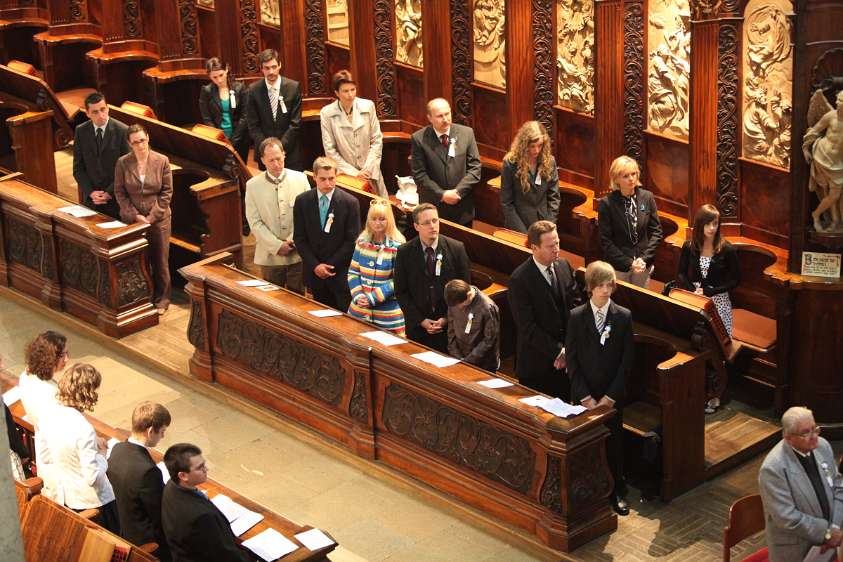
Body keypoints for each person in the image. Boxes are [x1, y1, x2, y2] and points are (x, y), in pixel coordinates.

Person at [565, 260, 634, 516]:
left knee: (613, 444)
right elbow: (572, 359)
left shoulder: (623, 317)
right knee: (584, 445)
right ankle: (587, 491)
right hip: (584, 396)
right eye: (601, 286)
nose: (606, 291)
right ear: (590, 288)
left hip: (610, 397)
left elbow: (626, 361)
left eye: (609, 285)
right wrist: (585, 397)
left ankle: (617, 491)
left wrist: (610, 397)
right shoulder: (576, 317)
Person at [37, 363, 120, 533]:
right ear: (88, 393)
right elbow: (92, 477)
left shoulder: (47, 415)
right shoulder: (83, 429)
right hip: (94, 503)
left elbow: (46, 457)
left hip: (67, 498)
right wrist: (103, 456)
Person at [677, 204, 740, 413]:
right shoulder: (689, 247)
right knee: (696, 345)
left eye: (715, 223)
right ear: (700, 225)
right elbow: (681, 274)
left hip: (718, 302)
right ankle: (698, 391)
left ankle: (716, 394)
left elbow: (735, 279)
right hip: (693, 300)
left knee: (717, 348)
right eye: (708, 224)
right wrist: (691, 291)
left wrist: (712, 291)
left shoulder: (727, 249)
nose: (712, 228)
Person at [759, 407, 843, 562]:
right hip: (796, 550)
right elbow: (787, 517)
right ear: (788, 437)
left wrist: (836, 527)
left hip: (830, 541)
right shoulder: (773, 469)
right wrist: (826, 533)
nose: (814, 436)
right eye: (806, 433)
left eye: (815, 429)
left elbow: (839, 486)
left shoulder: (822, 446)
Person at [507, 220, 580, 398]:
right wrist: (558, 351)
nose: (556, 249)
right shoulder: (520, 280)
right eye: (550, 246)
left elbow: (576, 305)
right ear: (534, 248)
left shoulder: (564, 266)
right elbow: (527, 327)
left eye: (557, 243)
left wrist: (568, 348)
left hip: (564, 363)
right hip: (537, 365)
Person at [394, 203, 471, 353]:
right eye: (427, 222)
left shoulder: (456, 249)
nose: (432, 226)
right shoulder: (404, 252)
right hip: (418, 329)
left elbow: (465, 290)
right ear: (416, 226)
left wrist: (446, 319)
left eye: (435, 221)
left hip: (450, 330)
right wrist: (421, 321)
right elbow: (401, 292)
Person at [114, 123, 173, 314]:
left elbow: (166, 192)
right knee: (138, 259)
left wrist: (151, 217)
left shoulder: (162, 161)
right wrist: (135, 215)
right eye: (136, 142)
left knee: (160, 260)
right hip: (133, 220)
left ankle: (162, 299)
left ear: (148, 138)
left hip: (159, 219)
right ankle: (142, 297)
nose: (140, 145)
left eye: (143, 140)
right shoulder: (123, 163)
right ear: (129, 144)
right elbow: (119, 192)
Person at [161, 443, 251, 562]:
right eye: (200, 467)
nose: (206, 469)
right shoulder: (201, 516)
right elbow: (224, 554)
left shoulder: (171, 486)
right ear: (183, 475)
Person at [107, 402, 173, 562]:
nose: (163, 436)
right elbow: (160, 515)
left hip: (125, 529)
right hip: (149, 545)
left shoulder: (118, 450)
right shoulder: (148, 472)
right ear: (150, 431)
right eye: (162, 432)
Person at [293, 157, 360, 311]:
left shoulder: (350, 203)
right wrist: (316, 266)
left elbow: (351, 241)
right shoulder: (302, 201)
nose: (328, 184)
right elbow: (300, 238)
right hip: (315, 273)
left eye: (331, 179)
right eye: (323, 179)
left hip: (340, 274)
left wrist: (329, 266)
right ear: (314, 177)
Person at [245, 137, 308, 294]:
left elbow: (307, 215)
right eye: (271, 160)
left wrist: (293, 240)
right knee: (272, 303)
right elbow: (254, 222)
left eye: (279, 159)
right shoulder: (252, 186)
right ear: (262, 160)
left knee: (298, 302)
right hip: (269, 257)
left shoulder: (301, 179)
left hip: (298, 255)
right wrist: (277, 246)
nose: (276, 164)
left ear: (284, 155)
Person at [410, 98, 481, 226]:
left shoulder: (466, 133)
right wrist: (442, 194)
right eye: (439, 116)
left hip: (462, 206)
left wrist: (458, 192)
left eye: (447, 114)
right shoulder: (419, 139)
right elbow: (420, 175)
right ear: (429, 118)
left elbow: (475, 168)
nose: (445, 119)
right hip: (433, 208)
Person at [598, 155, 663, 288]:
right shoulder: (607, 203)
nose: (631, 179)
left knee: (641, 303)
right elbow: (606, 241)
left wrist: (644, 258)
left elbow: (657, 232)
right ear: (616, 179)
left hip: (642, 265)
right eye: (625, 176)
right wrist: (629, 263)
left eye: (633, 174)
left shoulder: (647, 197)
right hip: (619, 267)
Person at [320, 70, 387, 197]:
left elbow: (377, 140)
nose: (350, 95)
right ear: (337, 93)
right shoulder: (327, 113)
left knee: (381, 209)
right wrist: (355, 173)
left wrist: (367, 169)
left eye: (353, 89)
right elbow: (330, 150)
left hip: (371, 172)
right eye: (345, 91)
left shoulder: (368, 106)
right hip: (346, 176)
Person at [347, 199, 406, 335]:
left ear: (389, 220)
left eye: (382, 219)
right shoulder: (361, 243)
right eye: (374, 219)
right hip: (359, 309)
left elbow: (398, 280)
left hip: (388, 315)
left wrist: (373, 298)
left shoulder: (399, 247)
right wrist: (359, 296)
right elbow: (353, 273)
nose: (377, 223)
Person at [72, 91, 130, 219]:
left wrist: (108, 193)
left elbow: (127, 170)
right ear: (87, 114)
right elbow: (78, 169)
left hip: (116, 200)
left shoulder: (123, 131)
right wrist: (91, 192)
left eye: (103, 109)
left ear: (108, 108)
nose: (101, 115)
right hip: (91, 200)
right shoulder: (81, 131)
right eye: (95, 112)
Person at [246, 48, 302, 171]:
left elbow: (295, 123)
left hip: (289, 153)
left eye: (274, 67)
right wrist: (267, 149)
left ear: (280, 65)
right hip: (265, 154)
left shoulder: (293, 87)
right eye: (267, 68)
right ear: (261, 68)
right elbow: (253, 125)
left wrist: (280, 148)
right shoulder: (253, 90)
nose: (271, 71)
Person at [500, 121, 560, 233]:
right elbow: (507, 203)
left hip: (543, 224)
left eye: (540, 145)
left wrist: (548, 227)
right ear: (523, 144)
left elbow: (554, 198)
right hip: (518, 225)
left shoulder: (549, 161)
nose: (536, 150)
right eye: (532, 146)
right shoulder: (510, 163)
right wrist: (523, 233)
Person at [198, 57, 250, 164]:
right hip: (218, 139)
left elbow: (245, 116)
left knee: (240, 170)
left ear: (226, 69)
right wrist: (219, 138)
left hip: (239, 138)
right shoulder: (206, 91)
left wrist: (233, 141)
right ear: (209, 76)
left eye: (221, 75)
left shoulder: (240, 88)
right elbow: (207, 119)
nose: (219, 80)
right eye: (215, 77)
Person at [444, 279, 500, 372]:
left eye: (460, 305)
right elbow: (451, 328)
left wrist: (468, 361)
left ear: (469, 295)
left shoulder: (487, 308)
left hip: (482, 363)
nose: (458, 308)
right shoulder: (454, 299)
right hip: (458, 358)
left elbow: (489, 340)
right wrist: (455, 354)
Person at [19, 330, 67, 429]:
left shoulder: (25, 375)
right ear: (49, 357)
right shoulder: (51, 394)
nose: (67, 359)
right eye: (62, 355)